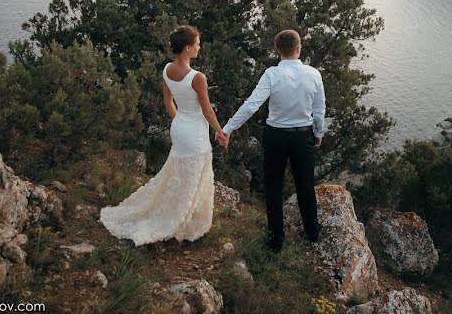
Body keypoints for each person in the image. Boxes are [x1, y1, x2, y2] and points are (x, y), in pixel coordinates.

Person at [99, 25, 226, 246]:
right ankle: (179, 221)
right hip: (195, 131)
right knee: (192, 176)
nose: (199, 47)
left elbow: (168, 102)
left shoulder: (167, 69)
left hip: (178, 126)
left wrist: (179, 121)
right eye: (196, 44)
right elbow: (207, 111)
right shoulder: (198, 77)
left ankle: (173, 212)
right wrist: (220, 131)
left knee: (177, 174)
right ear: (187, 48)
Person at [221, 29, 325, 252]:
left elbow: (252, 105)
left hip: (276, 136)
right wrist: (318, 133)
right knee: (305, 184)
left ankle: (276, 238)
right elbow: (319, 108)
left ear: (277, 50)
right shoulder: (314, 74)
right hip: (303, 136)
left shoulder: (271, 74)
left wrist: (228, 128)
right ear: (299, 48)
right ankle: (312, 233)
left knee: (274, 186)